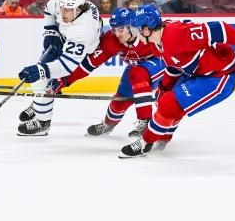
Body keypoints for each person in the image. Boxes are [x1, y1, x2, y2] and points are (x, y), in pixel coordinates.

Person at [118, 4, 235, 158]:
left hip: (219, 76)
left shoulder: (174, 34)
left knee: (169, 103)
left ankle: (145, 143)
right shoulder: (157, 46)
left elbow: (219, 29)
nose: (136, 34)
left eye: (138, 30)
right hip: (198, 73)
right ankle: (162, 137)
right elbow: (174, 66)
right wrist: (164, 87)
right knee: (166, 99)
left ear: (147, 29)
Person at [47, 7, 165, 137]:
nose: (117, 34)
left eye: (121, 29)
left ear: (132, 27)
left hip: (160, 64)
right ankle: (109, 124)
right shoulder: (111, 40)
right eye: (114, 29)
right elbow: (88, 65)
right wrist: (63, 80)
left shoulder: (146, 31)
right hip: (135, 68)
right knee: (120, 100)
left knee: (137, 74)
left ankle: (145, 121)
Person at [16, 0, 102, 136]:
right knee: (41, 77)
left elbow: (66, 66)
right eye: (62, 8)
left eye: (67, 10)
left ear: (79, 9)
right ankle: (40, 100)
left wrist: (41, 70)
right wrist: (51, 32)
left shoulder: (83, 30)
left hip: (85, 50)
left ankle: (43, 123)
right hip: (64, 37)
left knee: (46, 78)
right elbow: (49, 11)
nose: (63, 12)